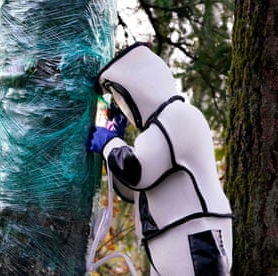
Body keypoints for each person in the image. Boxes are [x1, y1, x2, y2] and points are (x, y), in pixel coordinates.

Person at [89, 42, 233, 275]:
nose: (124, 109)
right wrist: (115, 145)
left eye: (122, 98)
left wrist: (110, 144)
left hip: (196, 242)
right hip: (173, 246)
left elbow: (137, 173)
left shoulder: (178, 117)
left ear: (137, 90)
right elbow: (132, 192)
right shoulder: (158, 132)